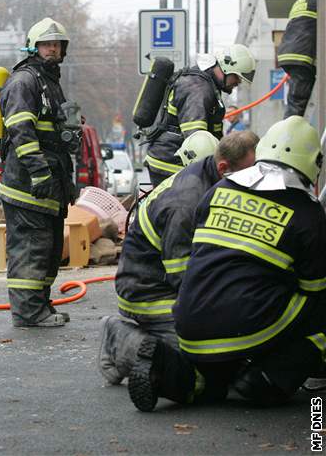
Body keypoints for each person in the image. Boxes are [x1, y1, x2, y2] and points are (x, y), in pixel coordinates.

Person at [128, 116, 326, 412]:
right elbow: (313, 290)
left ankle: (176, 373)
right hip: (249, 329)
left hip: (190, 325)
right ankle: (267, 377)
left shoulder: (217, 191)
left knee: (215, 367)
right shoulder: (308, 215)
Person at [98, 130, 258, 385]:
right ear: (223, 167)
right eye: (249, 173)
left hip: (166, 283)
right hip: (148, 290)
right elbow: (183, 275)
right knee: (203, 354)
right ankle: (121, 339)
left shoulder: (212, 181)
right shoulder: (186, 204)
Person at [0, 17, 76, 328]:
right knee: (31, 249)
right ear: (33, 47)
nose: (52, 49)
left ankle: (40, 305)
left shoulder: (50, 83)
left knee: (48, 249)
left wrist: (65, 181)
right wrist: (40, 172)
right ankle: (28, 313)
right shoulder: (24, 82)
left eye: (57, 44)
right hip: (27, 186)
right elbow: (22, 131)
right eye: (46, 44)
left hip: (47, 187)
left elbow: (56, 139)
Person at [144, 44, 256, 187]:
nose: (238, 82)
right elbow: (197, 139)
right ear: (226, 68)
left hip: (172, 159)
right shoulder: (197, 88)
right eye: (237, 76)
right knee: (188, 206)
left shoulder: (208, 85)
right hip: (171, 163)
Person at [278, 0, 318, 118]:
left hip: (288, 54)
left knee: (295, 98)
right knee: (298, 102)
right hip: (302, 55)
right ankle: (290, 132)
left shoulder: (302, 0)